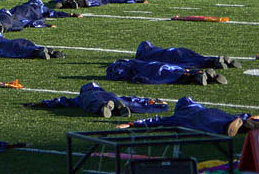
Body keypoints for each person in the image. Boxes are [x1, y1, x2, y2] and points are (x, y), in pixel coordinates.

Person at [116, 96, 259, 137]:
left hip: (200, 120)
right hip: (216, 114)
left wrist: (132, 124)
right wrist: (249, 116)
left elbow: (156, 120)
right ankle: (248, 123)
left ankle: (234, 127)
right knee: (229, 118)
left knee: (209, 125)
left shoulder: (179, 116)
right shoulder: (204, 107)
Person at [23, 82, 169, 118]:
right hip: (112, 97)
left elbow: (61, 101)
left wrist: (38, 104)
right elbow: (133, 99)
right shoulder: (106, 92)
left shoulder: (82, 96)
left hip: (93, 99)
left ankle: (103, 108)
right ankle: (119, 108)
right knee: (125, 102)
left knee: (94, 105)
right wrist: (150, 102)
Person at [106, 59, 227, 86]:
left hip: (150, 70)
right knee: (174, 70)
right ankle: (200, 74)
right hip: (155, 65)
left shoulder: (119, 68)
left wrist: (136, 79)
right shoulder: (130, 62)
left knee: (169, 76)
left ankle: (196, 76)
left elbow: (121, 74)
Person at [135, 41, 242, 69]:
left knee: (192, 62)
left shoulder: (148, 56)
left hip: (172, 55)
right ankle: (215, 60)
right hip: (178, 51)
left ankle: (213, 62)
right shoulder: (153, 51)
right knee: (197, 58)